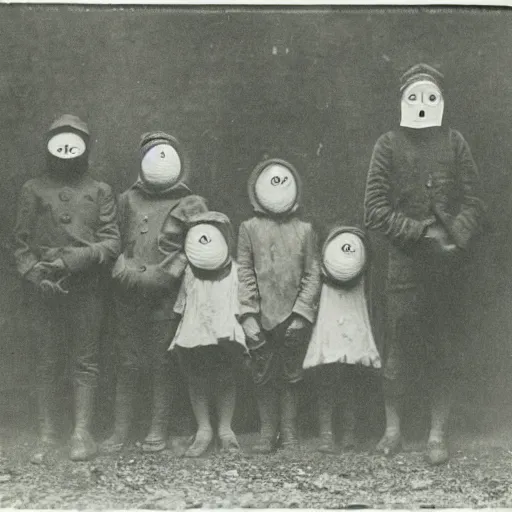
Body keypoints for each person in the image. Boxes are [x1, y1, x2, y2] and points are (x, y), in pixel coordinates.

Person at [364, 63, 486, 465]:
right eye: (413, 97)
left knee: (442, 349)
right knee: (398, 348)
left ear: (441, 101)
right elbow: (375, 210)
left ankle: (436, 434)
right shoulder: (387, 145)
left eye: (429, 97)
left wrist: (454, 237)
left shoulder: (454, 143)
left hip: (447, 269)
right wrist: (419, 233)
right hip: (404, 267)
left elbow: (473, 201)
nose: (421, 105)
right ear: (402, 101)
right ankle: (393, 430)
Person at [13, 114, 121, 462]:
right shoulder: (33, 189)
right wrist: (35, 275)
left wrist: (71, 261)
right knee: (47, 360)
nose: (66, 152)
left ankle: (81, 433)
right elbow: (19, 243)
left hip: (86, 287)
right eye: (60, 143)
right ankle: (47, 436)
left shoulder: (100, 191)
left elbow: (111, 243)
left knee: (85, 360)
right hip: (44, 288)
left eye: (74, 143)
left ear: (85, 149)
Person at [100, 132, 207, 454]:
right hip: (128, 294)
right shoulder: (126, 199)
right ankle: (120, 431)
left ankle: (158, 430)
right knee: (127, 362)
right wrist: (122, 271)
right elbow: (113, 238)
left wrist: (163, 276)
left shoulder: (191, 203)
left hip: (167, 297)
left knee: (163, 363)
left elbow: (198, 247)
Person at [237, 158, 321, 453]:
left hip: (292, 315)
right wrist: (248, 315)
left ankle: (289, 432)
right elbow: (244, 271)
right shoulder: (248, 229)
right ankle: (266, 431)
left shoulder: (305, 230)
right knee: (262, 373)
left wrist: (301, 314)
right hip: (261, 315)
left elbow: (313, 273)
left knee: (291, 374)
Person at [169, 211, 247, 457]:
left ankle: (225, 429)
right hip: (196, 328)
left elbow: (244, 302)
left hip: (223, 332)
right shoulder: (189, 272)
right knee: (196, 377)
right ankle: (204, 429)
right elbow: (181, 304)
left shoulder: (237, 271)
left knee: (225, 376)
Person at [303, 226, 381, 453]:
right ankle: (326, 434)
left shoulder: (361, 263)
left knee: (351, 377)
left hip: (353, 313)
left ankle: (349, 433)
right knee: (326, 376)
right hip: (329, 316)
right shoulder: (323, 266)